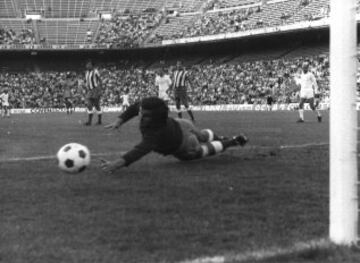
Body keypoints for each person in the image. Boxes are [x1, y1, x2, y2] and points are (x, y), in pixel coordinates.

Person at [100, 97, 248, 173]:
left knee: (198, 152)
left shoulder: (154, 133)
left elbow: (138, 151)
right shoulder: (155, 116)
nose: (139, 112)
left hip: (185, 144)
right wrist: (119, 121)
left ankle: (233, 141)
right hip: (182, 124)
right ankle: (221, 138)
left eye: (142, 112)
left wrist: (116, 164)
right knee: (202, 135)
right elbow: (135, 107)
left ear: (150, 117)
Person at [84, 59, 103, 125]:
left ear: (92, 65)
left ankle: (99, 121)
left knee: (96, 105)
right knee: (89, 105)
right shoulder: (86, 72)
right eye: (87, 64)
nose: (87, 66)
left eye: (89, 64)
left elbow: (100, 80)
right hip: (89, 90)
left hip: (95, 89)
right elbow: (87, 81)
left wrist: (100, 90)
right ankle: (89, 122)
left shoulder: (95, 71)